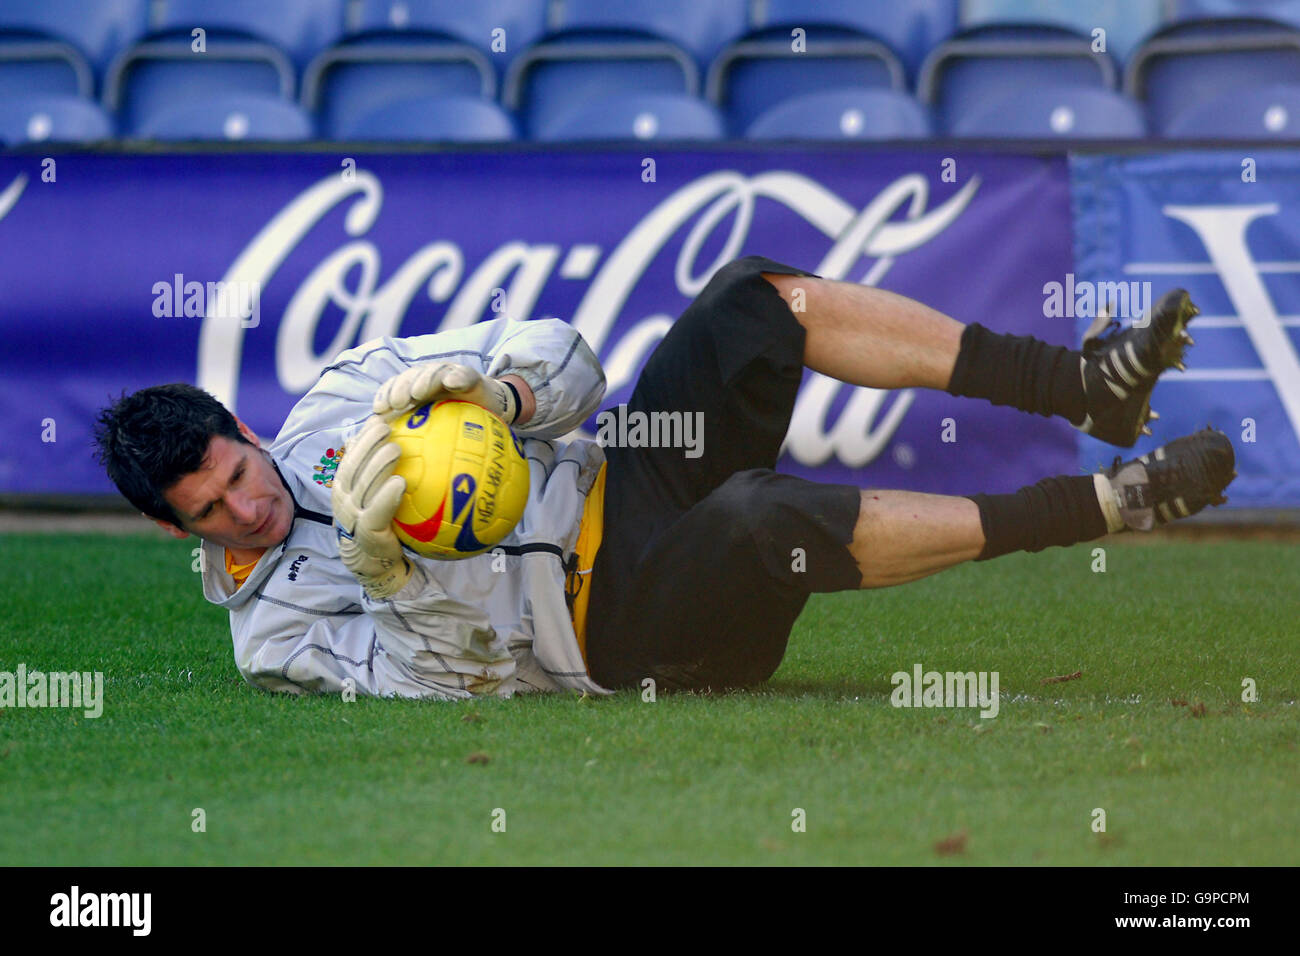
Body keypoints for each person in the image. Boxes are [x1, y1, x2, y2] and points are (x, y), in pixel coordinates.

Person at [93, 256, 1236, 699]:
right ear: (178, 531)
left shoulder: (346, 389)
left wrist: (500, 396)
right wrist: (393, 573)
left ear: (243, 426)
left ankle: (1082, 387)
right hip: (612, 630)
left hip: (629, 475)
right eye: (211, 511)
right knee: (754, 516)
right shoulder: (272, 641)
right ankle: (1104, 503)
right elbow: (457, 685)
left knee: (756, 301)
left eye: (236, 468)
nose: (246, 503)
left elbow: (572, 360)